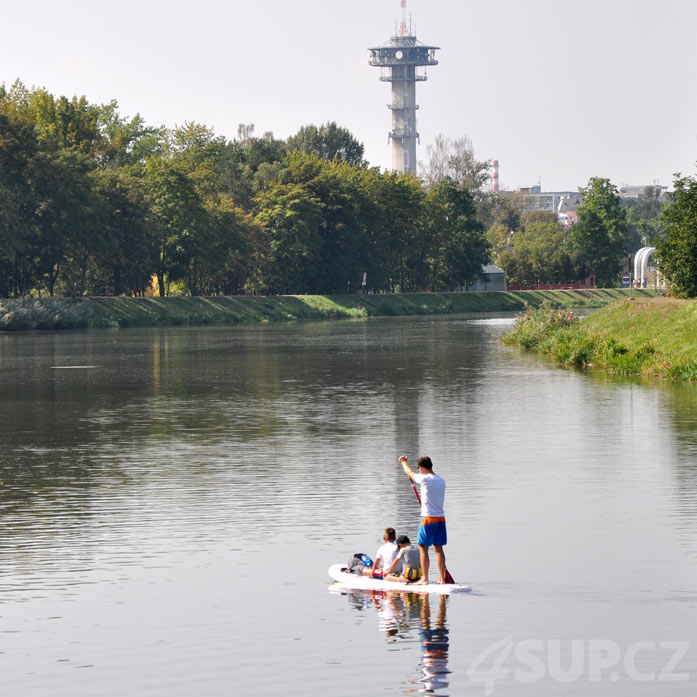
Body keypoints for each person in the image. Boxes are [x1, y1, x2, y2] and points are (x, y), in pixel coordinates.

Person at [399, 455, 447, 585]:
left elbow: (409, 472)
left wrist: (403, 462)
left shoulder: (425, 479)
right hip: (440, 519)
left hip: (428, 519)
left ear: (421, 468)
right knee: (439, 549)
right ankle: (442, 578)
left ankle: (425, 579)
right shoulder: (441, 480)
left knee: (423, 548)